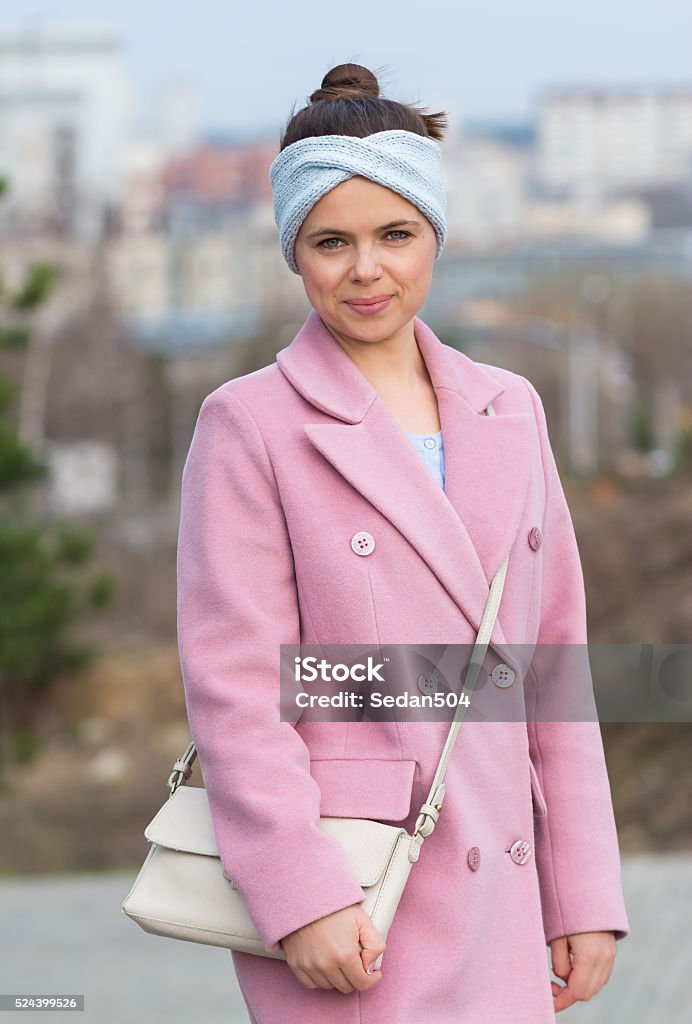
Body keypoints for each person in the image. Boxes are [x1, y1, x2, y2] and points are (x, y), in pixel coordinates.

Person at [176, 62, 630, 1024]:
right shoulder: (250, 424)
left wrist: (583, 886)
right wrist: (301, 895)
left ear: (437, 238)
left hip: (505, 875)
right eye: (331, 242)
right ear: (294, 253)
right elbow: (235, 687)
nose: (366, 269)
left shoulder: (513, 407)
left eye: (396, 235)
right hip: (357, 888)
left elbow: (554, 667)